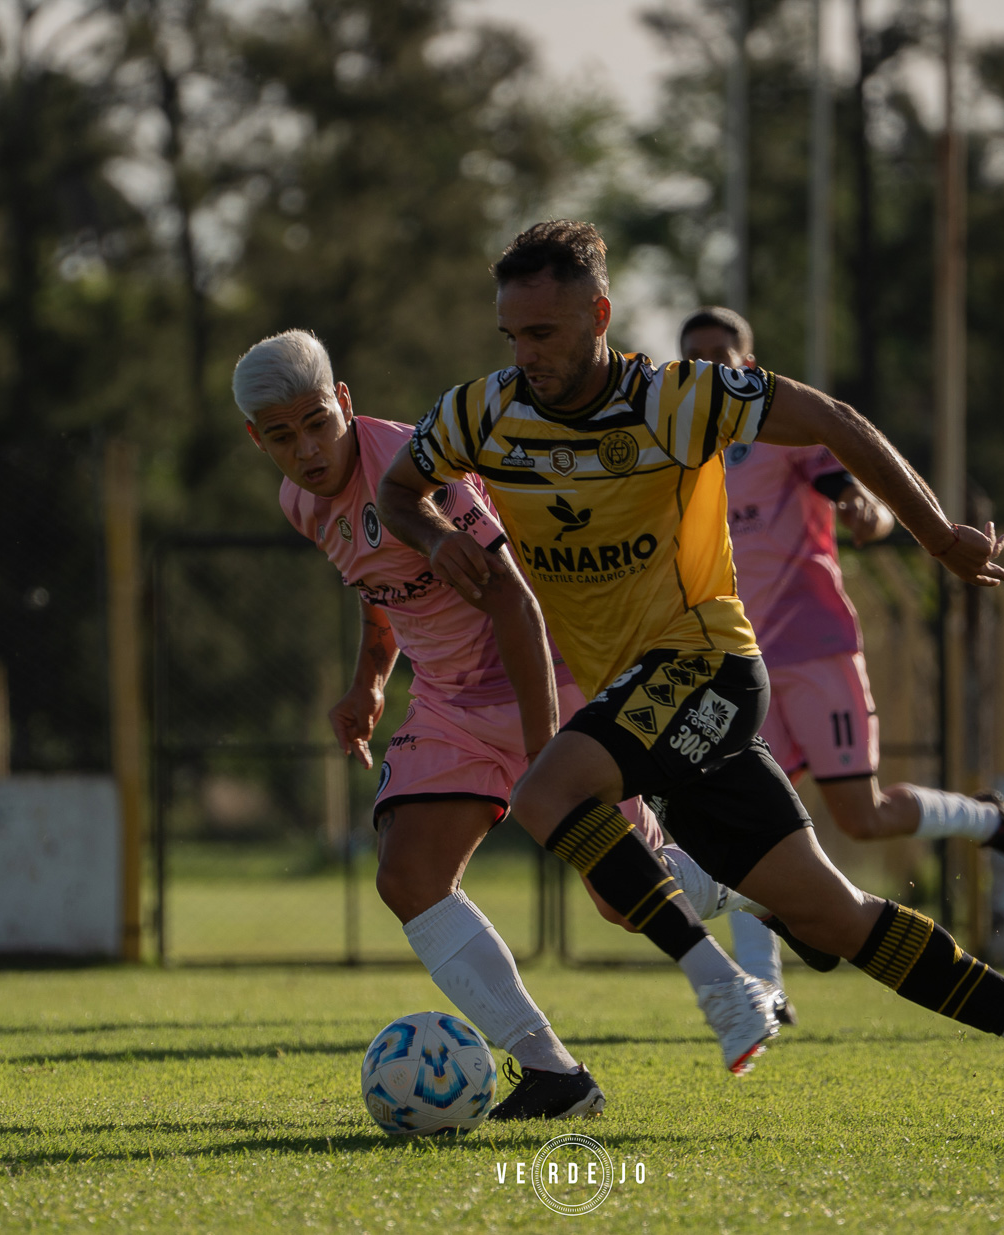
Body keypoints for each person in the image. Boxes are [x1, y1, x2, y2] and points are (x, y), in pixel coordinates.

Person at [378, 220, 1004, 1139]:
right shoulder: (480, 413)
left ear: (600, 315)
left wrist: (938, 536)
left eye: (547, 334)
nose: (527, 355)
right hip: (645, 697)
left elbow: (833, 420)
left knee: (546, 791)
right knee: (834, 916)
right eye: (514, 336)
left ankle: (718, 980)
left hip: (707, 665)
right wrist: (440, 539)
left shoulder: (676, 399)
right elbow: (397, 490)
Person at [233, 329, 757, 1121]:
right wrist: (368, 684)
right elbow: (377, 589)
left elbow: (515, 602)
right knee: (408, 876)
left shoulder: (418, 471)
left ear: (343, 402)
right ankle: (553, 1072)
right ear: (257, 438)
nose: (306, 449)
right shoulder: (300, 503)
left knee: (622, 898)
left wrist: (551, 755)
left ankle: (751, 876)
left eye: (316, 422)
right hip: (447, 704)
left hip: (545, 679)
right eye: (282, 435)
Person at [677, 307, 1004, 1013]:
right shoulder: (679, 453)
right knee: (752, 824)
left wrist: (865, 512)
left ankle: (987, 821)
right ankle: (766, 985)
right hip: (736, 662)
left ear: (750, 365)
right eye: (694, 358)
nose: (710, 369)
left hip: (816, 645)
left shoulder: (782, 433)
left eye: (722, 355)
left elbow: (862, 497)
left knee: (861, 815)